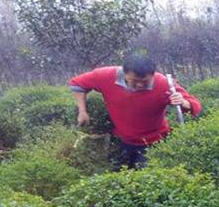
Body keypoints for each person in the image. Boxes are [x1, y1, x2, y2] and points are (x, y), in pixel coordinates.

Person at [68, 54, 201, 168]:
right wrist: (82, 111)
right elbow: (77, 84)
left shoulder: (163, 83)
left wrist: (183, 102)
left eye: (145, 81)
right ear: (124, 73)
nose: (139, 85)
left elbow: (195, 106)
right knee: (117, 177)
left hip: (155, 142)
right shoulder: (106, 75)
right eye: (134, 81)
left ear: (152, 75)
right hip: (121, 140)